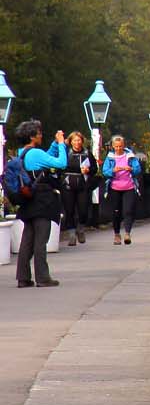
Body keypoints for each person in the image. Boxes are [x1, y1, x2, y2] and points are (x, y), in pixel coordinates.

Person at [13, 121, 66, 288]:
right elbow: (61, 163)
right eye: (39, 133)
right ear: (32, 136)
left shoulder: (23, 152)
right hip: (41, 200)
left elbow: (46, 158)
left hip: (28, 201)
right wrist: (62, 145)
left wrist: (54, 145)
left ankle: (23, 277)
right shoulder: (36, 153)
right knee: (41, 240)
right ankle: (43, 278)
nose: (41, 135)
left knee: (27, 240)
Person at [101, 135, 143, 246]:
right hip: (115, 188)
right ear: (113, 146)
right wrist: (113, 170)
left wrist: (131, 169)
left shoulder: (130, 156)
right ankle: (117, 234)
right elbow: (105, 171)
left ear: (123, 146)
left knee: (128, 210)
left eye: (120, 146)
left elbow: (138, 169)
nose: (118, 148)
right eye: (116, 146)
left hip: (128, 187)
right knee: (116, 212)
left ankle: (127, 233)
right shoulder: (110, 157)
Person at [60, 131, 98, 246]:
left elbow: (95, 169)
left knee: (83, 211)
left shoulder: (87, 153)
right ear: (70, 142)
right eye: (74, 140)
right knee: (69, 210)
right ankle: (71, 235)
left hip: (83, 185)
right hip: (68, 185)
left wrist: (88, 171)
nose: (77, 142)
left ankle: (80, 228)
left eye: (79, 140)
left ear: (82, 141)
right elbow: (60, 166)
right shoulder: (66, 153)